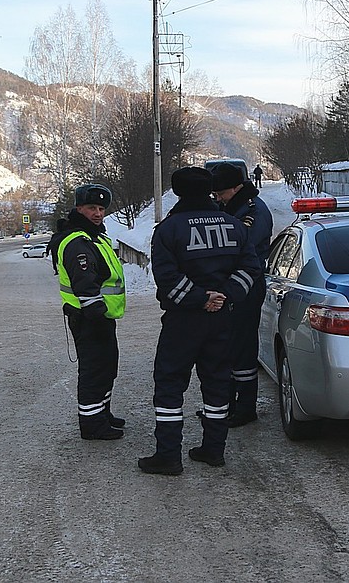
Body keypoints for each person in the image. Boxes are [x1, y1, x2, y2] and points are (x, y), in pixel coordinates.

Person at [138, 167, 261, 475]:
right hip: (222, 317)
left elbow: (166, 278)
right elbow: (251, 267)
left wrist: (198, 298)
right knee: (218, 382)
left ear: (177, 192)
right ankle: (213, 449)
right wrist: (226, 295)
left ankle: (168, 455)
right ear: (208, 191)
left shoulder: (168, 230)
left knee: (169, 384)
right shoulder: (235, 225)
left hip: (183, 320)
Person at [49, 183, 127, 441]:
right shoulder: (78, 241)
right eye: (92, 208)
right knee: (95, 371)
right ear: (79, 208)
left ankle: (101, 413)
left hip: (100, 317)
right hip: (89, 317)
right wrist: (97, 313)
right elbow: (85, 284)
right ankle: (92, 424)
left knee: (106, 368)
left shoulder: (94, 237)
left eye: (102, 208)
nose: (98, 213)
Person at [210, 161, 274, 428]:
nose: (218, 199)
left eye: (221, 194)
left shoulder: (252, 212)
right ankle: (228, 405)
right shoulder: (234, 207)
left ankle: (245, 407)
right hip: (233, 284)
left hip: (247, 284)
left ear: (236, 188)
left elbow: (237, 248)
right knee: (227, 347)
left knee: (242, 347)